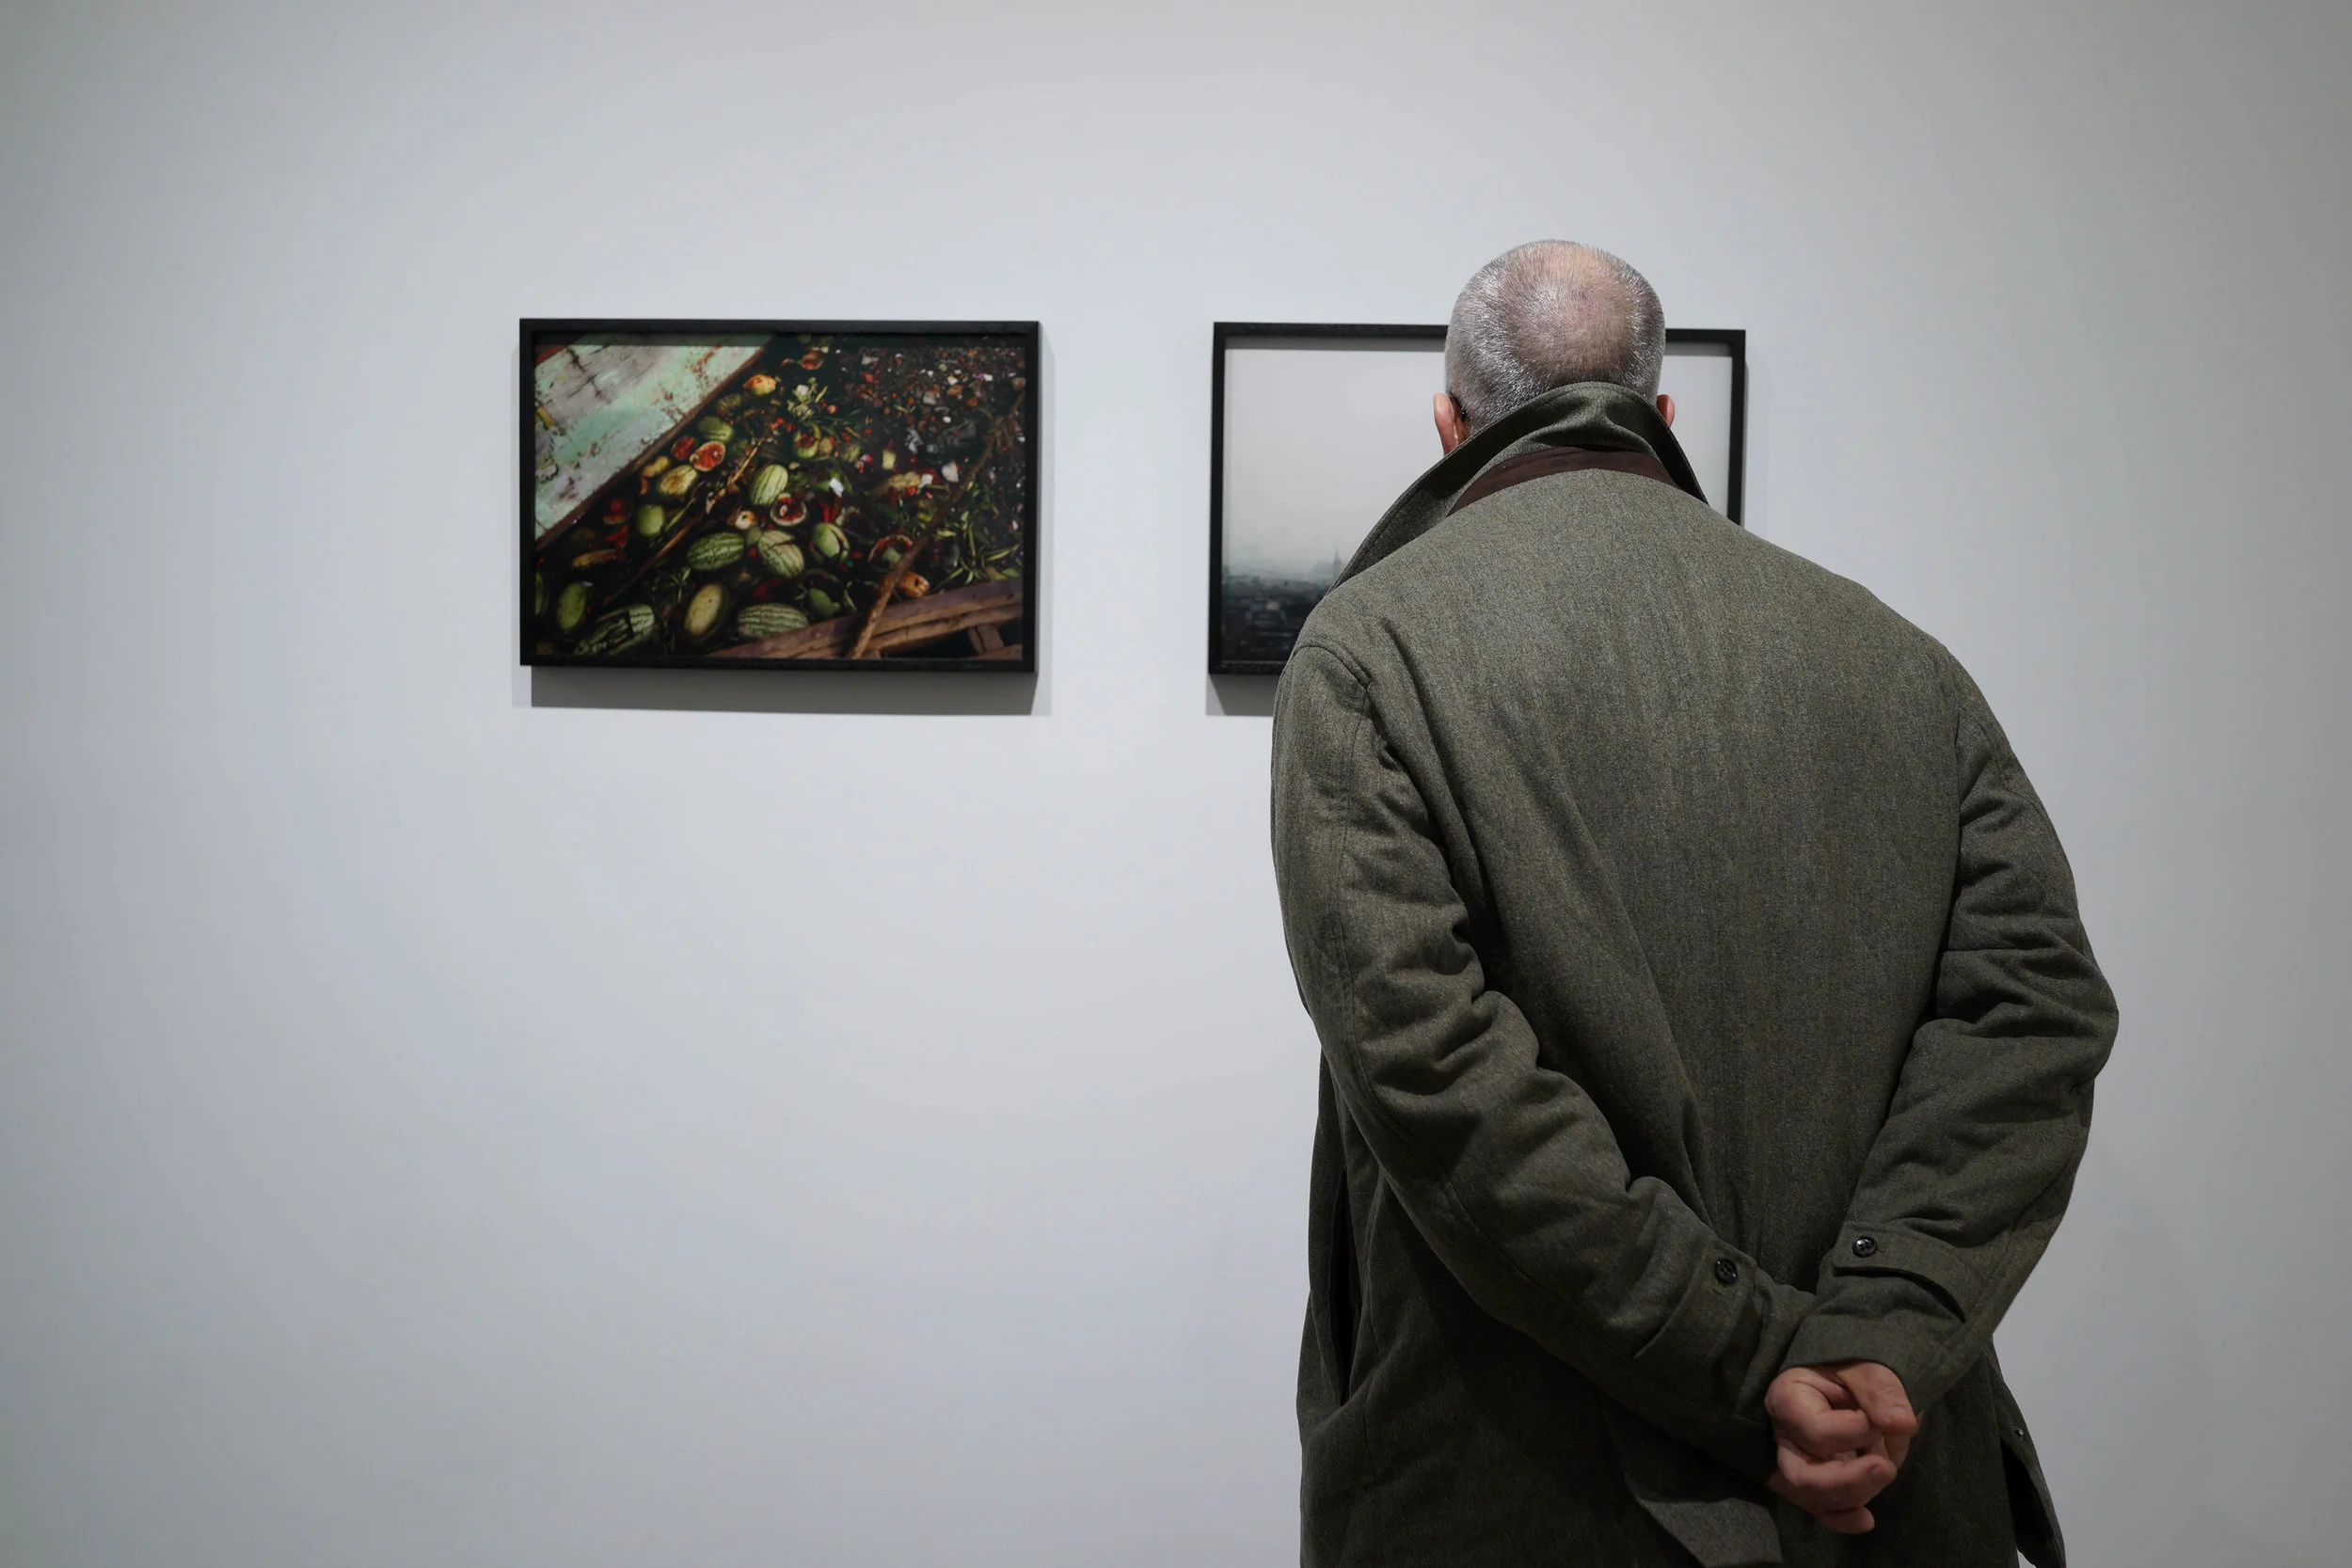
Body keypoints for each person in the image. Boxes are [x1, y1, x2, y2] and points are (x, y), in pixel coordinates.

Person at [1269, 241, 2118, 1567]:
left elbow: (1430, 1069)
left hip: (1524, 1490)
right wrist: (1872, 1340)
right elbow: (2032, 1019)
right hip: (1881, 1489)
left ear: (1447, 424)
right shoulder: (1905, 664)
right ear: (1663, 413)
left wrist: (1750, 1363)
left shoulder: (1371, 649)